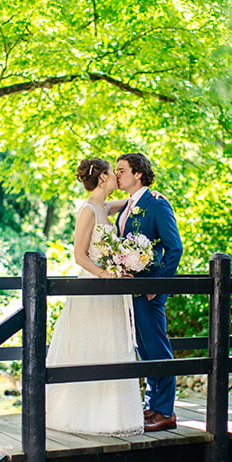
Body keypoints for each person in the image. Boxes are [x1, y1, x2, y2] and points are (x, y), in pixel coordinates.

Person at [45, 158, 145, 437]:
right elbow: (79, 256)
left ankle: (110, 417)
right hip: (93, 287)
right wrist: (105, 273)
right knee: (89, 348)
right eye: (113, 173)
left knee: (111, 349)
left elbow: (131, 202)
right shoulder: (88, 210)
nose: (117, 176)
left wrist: (151, 194)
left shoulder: (104, 207)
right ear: (102, 178)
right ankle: (79, 417)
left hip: (110, 291)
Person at [116, 152, 183, 432]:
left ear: (138, 173)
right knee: (143, 348)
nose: (117, 174)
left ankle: (166, 412)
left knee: (156, 346)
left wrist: (158, 285)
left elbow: (174, 247)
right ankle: (152, 406)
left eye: (122, 170)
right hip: (130, 289)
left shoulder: (156, 204)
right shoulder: (128, 205)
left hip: (150, 290)